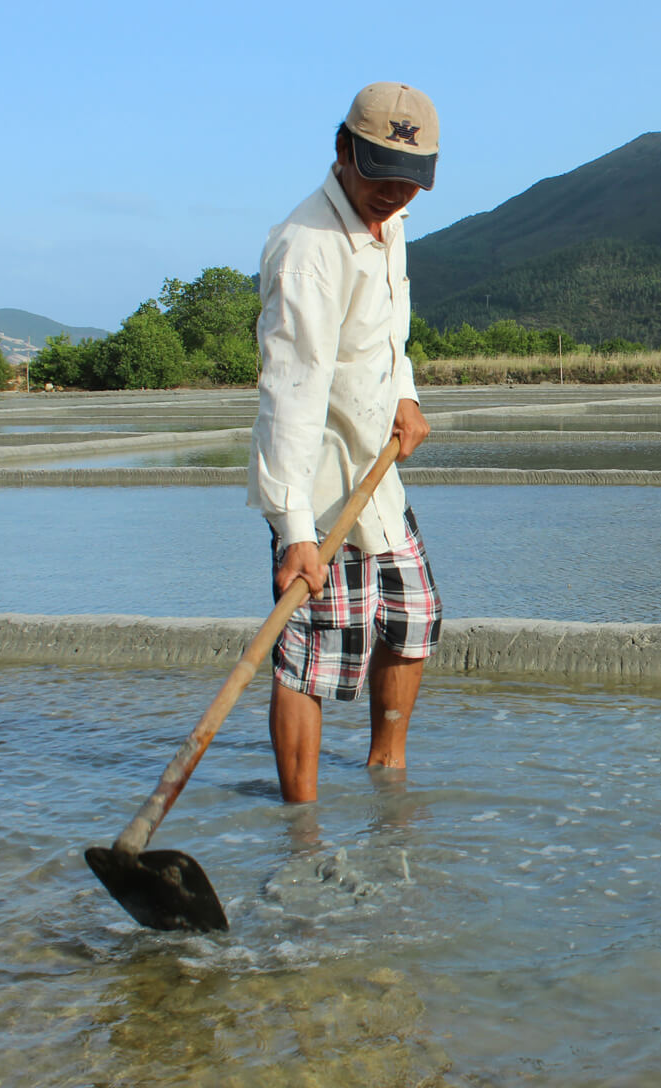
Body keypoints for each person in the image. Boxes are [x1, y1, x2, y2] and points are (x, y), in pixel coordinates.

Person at [247, 81, 443, 803]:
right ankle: (301, 825)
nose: (394, 194)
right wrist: (294, 529)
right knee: (310, 659)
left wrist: (406, 394)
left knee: (413, 617)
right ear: (341, 151)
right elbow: (290, 393)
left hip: (376, 467)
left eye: (409, 181)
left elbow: (389, 332)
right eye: (381, 174)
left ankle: (385, 774)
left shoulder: (389, 221)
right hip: (322, 485)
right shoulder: (309, 251)